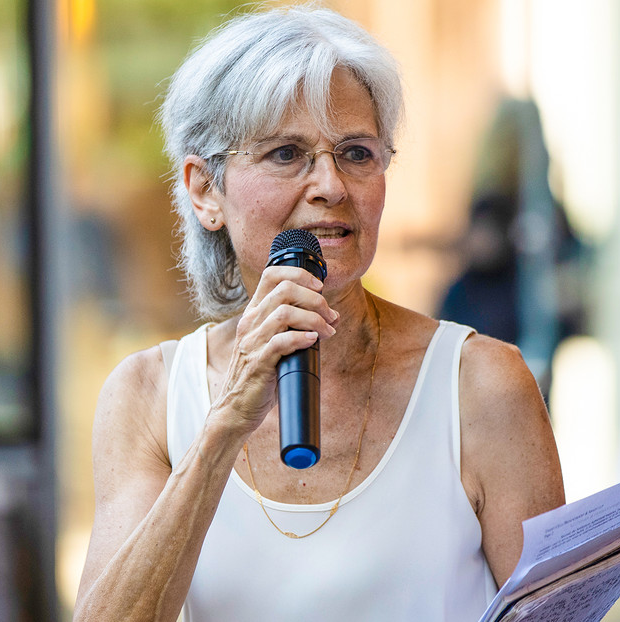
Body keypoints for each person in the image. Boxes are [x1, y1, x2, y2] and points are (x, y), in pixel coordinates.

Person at [73, 6, 565, 622]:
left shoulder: (482, 385)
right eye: (287, 153)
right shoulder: (148, 396)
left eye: (356, 153)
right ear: (205, 190)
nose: (331, 185)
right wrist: (225, 425)